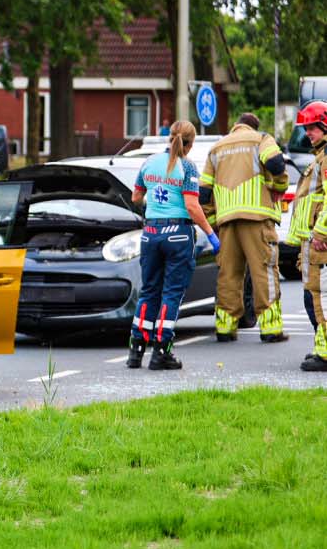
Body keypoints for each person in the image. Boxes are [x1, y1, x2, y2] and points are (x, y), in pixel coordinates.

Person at [128, 120, 218, 370]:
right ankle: (161, 353)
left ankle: (135, 352)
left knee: (149, 291)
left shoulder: (148, 163)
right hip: (178, 234)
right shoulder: (187, 167)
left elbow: (136, 197)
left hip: (151, 233)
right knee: (171, 294)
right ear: (189, 144)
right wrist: (211, 233)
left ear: (170, 138)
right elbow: (191, 205)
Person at [201, 112, 291, 342]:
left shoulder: (217, 148)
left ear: (236, 126)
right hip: (257, 218)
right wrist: (279, 185)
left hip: (226, 222)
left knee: (229, 274)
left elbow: (204, 194)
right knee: (264, 271)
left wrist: (214, 225)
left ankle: (225, 327)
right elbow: (276, 163)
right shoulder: (261, 139)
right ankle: (271, 329)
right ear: (253, 127)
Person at [289, 101, 327, 370]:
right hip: (312, 239)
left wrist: (321, 232)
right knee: (312, 295)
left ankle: (324, 353)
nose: (307, 133)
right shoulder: (320, 156)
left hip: (319, 240)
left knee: (316, 296)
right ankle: (320, 346)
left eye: (312, 128)